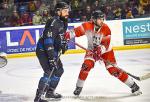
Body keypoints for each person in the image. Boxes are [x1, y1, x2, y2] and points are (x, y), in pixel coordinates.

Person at [65, 10, 142, 96]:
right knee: (86, 66)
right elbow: (75, 32)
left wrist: (100, 50)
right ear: (93, 20)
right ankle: (78, 87)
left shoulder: (106, 29)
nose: (102, 21)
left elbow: (106, 44)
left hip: (106, 51)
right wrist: (66, 36)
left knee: (113, 70)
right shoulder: (86, 26)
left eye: (103, 18)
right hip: (91, 50)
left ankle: (133, 85)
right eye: (99, 19)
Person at [34, 2, 69, 102]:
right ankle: (38, 97)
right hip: (43, 50)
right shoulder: (53, 22)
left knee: (59, 70)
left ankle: (50, 92)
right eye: (65, 11)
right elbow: (48, 41)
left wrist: (63, 45)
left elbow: (59, 37)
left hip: (52, 50)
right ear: (58, 11)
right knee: (49, 71)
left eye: (68, 11)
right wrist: (51, 58)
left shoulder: (63, 21)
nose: (67, 13)